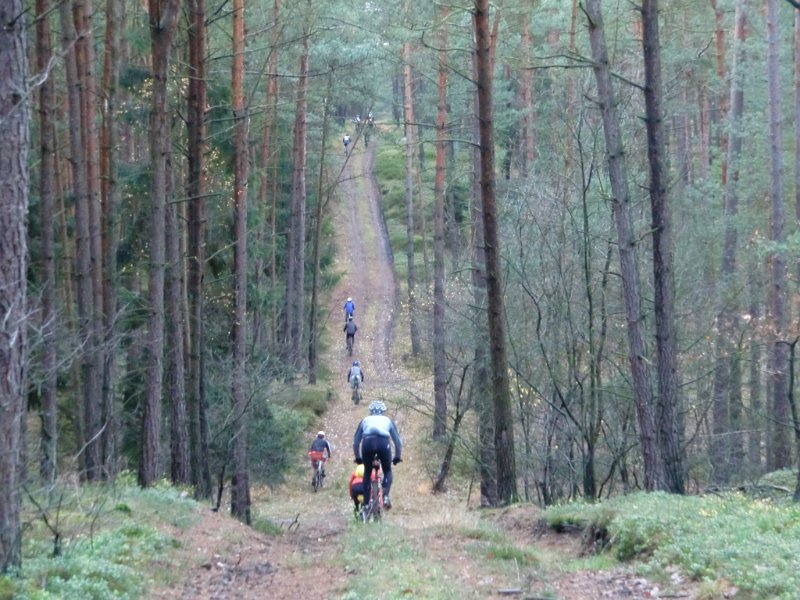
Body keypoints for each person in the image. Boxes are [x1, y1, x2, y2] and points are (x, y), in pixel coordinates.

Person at [353, 400, 402, 509]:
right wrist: (397, 456)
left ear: (371, 411)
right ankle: (385, 496)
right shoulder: (387, 420)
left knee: (367, 472)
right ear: (383, 411)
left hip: (368, 443)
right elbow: (397, 441)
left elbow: (356, 442)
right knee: (388, 470)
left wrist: (357, 457)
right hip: (383, 443)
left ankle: (365, 504)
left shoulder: (365, 420)